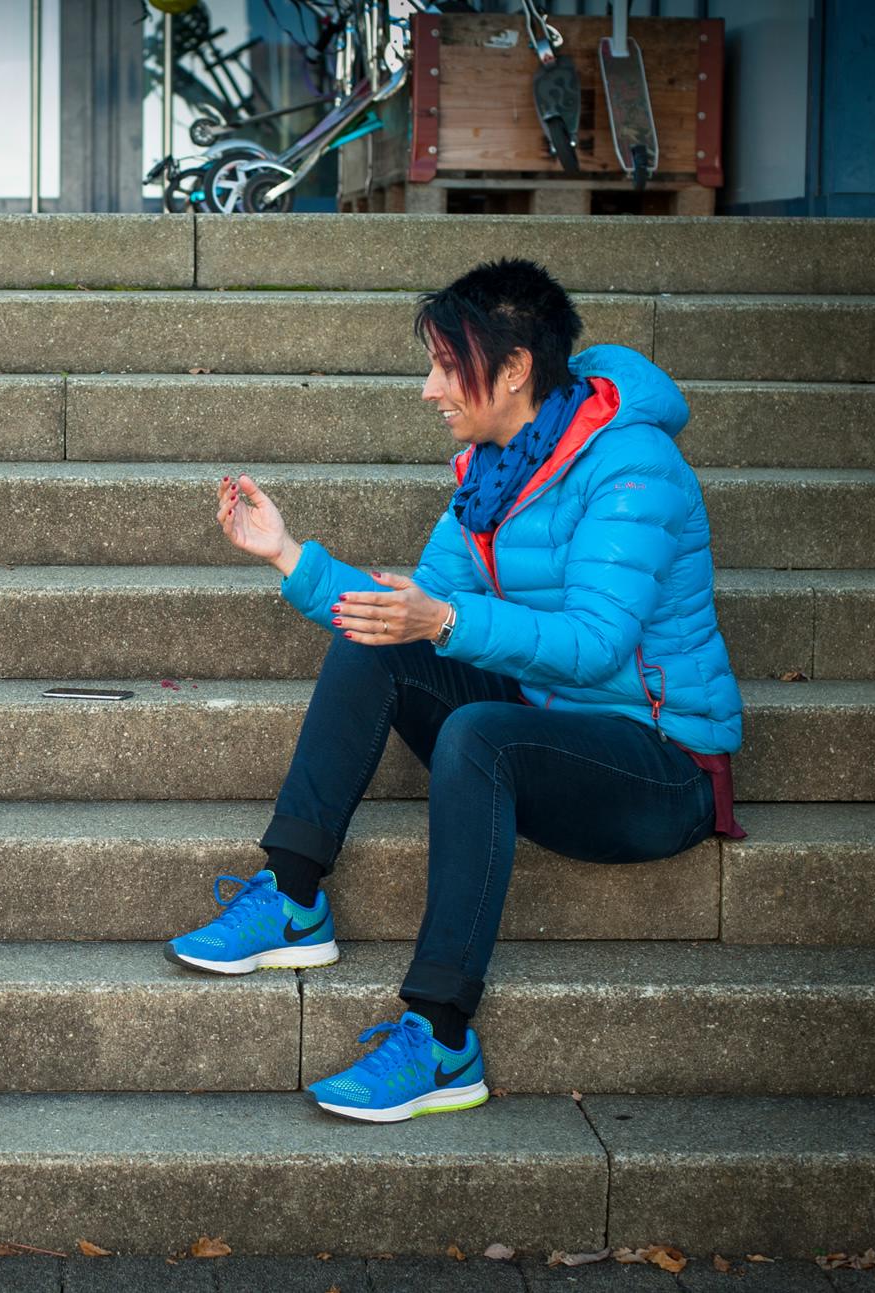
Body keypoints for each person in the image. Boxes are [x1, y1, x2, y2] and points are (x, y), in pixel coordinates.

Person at [163, 259, 745, 1123]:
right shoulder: (491, 467)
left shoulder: (634, 466)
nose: (431, 387)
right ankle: (292, 901)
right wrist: (291, 555)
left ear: (513, 368)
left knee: (479, 731)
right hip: (548, 724)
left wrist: (440, 621)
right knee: (375, 647)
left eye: (447, 363)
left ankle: (440, 1037)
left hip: (658, 764)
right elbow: (415, 608)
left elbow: (596, 644)